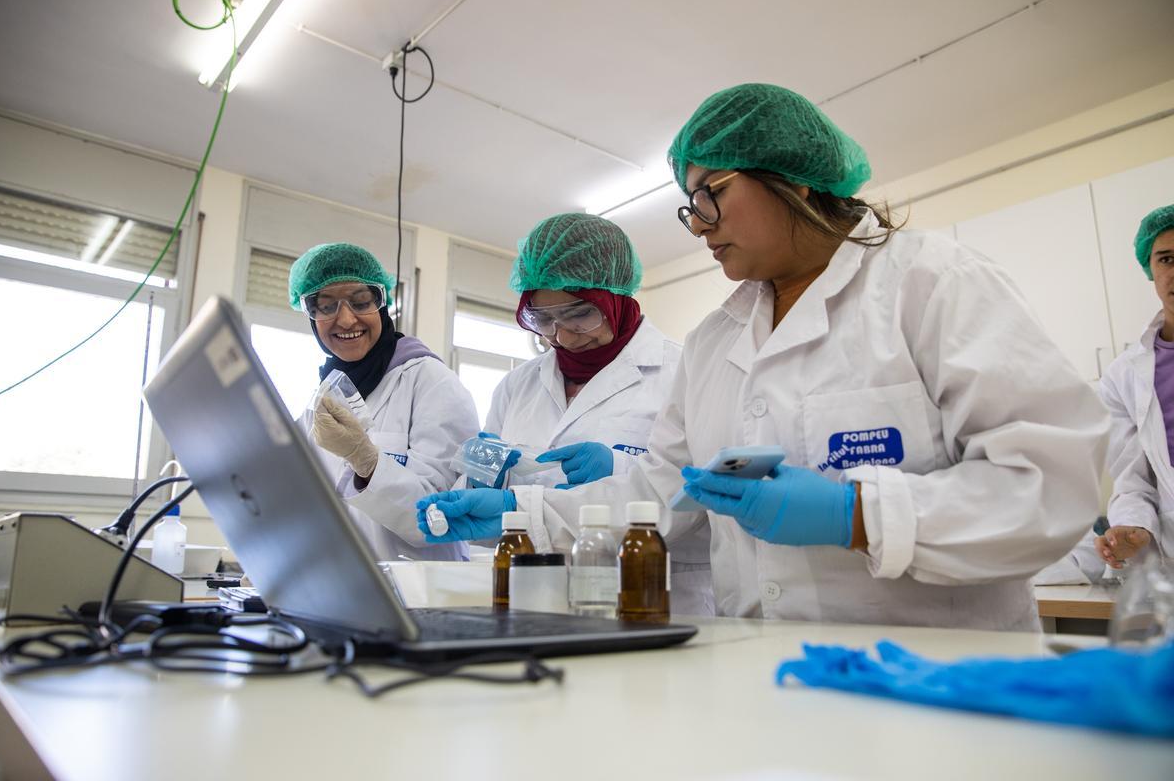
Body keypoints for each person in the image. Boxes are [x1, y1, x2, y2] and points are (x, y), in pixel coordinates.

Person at [417, 84, 1109, 630]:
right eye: (689, 207)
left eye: (710, 194)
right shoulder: (717, 341)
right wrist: (521, 508)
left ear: (795, 180)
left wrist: (856, 514)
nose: (698, 227)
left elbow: (1051, 482)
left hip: (939, 679)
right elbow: (656, 494)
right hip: (763, 674)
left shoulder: (932, 284)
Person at [465, 213, 713, 614]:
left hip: (650, 599)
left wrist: (619, 466)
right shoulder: (517, 385)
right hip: (536, 596)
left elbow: (695, 495)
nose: (560, 336)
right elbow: (492, 511)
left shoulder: (680, 371)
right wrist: (479, 477)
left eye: (580, 314)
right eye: (543, 319)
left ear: (614, 299)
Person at [289, 242, 478, 561]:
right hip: (345, 593)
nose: (346, 320)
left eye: (361, 301)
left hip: (419, 597)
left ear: (382, 303)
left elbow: (440, 519)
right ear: (310, 315)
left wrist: (367, 462)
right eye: (325, 306)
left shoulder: (431, 383)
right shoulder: (323, 399)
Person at [1097, 204, 1174, 570]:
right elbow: (1132, 480)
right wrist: (1134, 528)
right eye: (1166, 258)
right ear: (1151, 269)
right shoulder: (1122, 376)